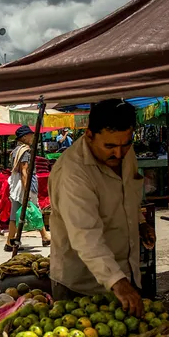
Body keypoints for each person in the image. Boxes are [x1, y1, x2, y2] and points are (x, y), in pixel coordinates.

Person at [48, 99, 153, 317]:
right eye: (110, 146)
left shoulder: (124, 152)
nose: (119, 153)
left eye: (126, 144)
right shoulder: (72, 174)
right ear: (89, 135)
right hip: (82, 287)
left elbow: (127, 195)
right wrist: (117, 282)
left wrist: (140, 223)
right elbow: (86, 236)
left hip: (126, 274)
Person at [6, 125, 51, 249]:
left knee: (30, 210)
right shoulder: (24, 151)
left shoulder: (16, 150)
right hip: (23, 185)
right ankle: (10, 242)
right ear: (24, 137)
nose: (32, 137)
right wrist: (27, 191)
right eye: (30, 135)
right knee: (22, 213)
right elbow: (24, 171)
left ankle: (44, 236)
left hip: (17, 184)